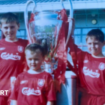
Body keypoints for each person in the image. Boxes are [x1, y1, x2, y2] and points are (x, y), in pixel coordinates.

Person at [67, 29, 105, 105]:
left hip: (101, 100)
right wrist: (71, 27)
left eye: (96, 43)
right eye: (90, 43)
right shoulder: (83, 56)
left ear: (103, 43)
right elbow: (69, 44)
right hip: (85, 99)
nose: (92, 46)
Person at [0, 12, 28, 105]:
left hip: (18, 90)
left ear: (18, 26)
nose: (9, 30)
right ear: (1, 27)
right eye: (6, 27)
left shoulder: (26, 44)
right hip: (1, 91)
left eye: (12, 27)